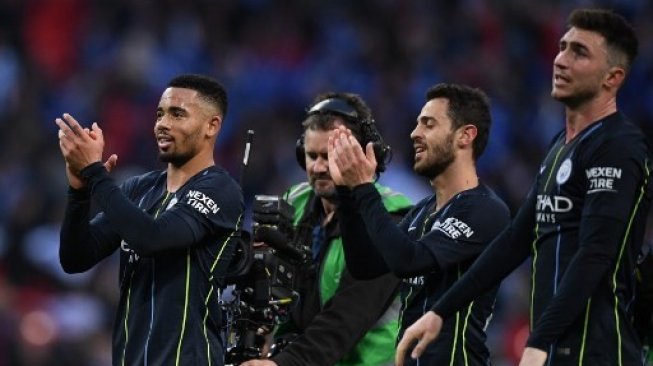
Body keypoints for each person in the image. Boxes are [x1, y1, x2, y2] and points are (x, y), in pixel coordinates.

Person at [396, 8, 653, 366]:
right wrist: (441, 311)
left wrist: (540, 340)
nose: (560, 60)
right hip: (555, 351)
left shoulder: (618, 145)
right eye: (562, 47)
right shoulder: (558, 147)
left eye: (579, 52)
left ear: (613, 77)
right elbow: (516, 239)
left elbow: (597, 253)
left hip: (598, 353)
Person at [56, 74, 244, 365]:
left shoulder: (220, 189)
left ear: (212, 125)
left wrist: (95, 173)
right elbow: (75, 258)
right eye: (160, 114)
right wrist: (79, 191)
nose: (162, 124)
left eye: (177, 114)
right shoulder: (140, 188)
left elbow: (153, 238)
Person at [328, 83, 511, 365]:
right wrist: (346, 193)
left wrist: (365, 187)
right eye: (416, 124)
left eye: (428, 124)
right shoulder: (422, 212)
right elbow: (365, 265)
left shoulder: (486, 210)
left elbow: (409, 261)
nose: (415, 134)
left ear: (465, 135)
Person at [241, 92, 412, 366]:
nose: (320, 167)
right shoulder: (293, 203)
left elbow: (348, 316)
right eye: (311, 156)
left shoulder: (391, 219)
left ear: (362, 155)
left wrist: (283, 364)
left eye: (330, 156)